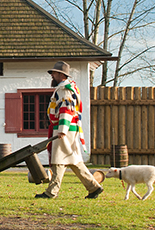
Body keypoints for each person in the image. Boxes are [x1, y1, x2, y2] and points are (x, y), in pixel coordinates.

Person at [35, 61, 104, 199]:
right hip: (69, 128)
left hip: (64, 128)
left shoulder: (64, 89)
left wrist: (62, 129)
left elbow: (66, 109)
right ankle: (94, 187)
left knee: (58, 159)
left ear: (61, 75)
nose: (52, 76)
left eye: (54, 73)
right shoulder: (68, 88)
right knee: (73, 160)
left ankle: (51, 192)